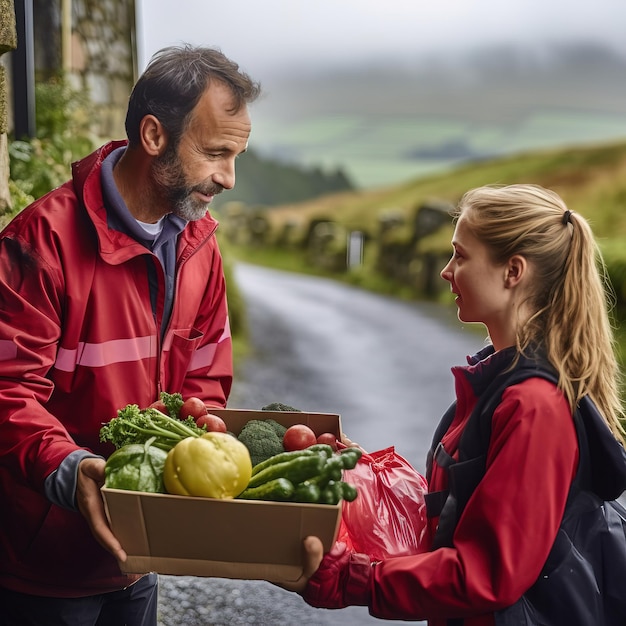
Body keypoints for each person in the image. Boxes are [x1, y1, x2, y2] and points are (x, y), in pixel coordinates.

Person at [281, 184, 626, 625]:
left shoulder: (534, 406)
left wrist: (355, 579)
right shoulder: (499, 382)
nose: (446, 271)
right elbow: (460, 515)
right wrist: (364, 473)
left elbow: (487, 573)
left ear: (512, 271)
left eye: (461, 256)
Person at [0, 44, 260, 624]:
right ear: (153, 135)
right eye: (216, 153)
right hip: (41, 567)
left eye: (236, 156)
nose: (229, 177)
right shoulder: (39, 243)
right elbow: (6, 392)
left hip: (140, 560)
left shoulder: (200, 249)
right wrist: (73, 474)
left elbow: (207, 378)